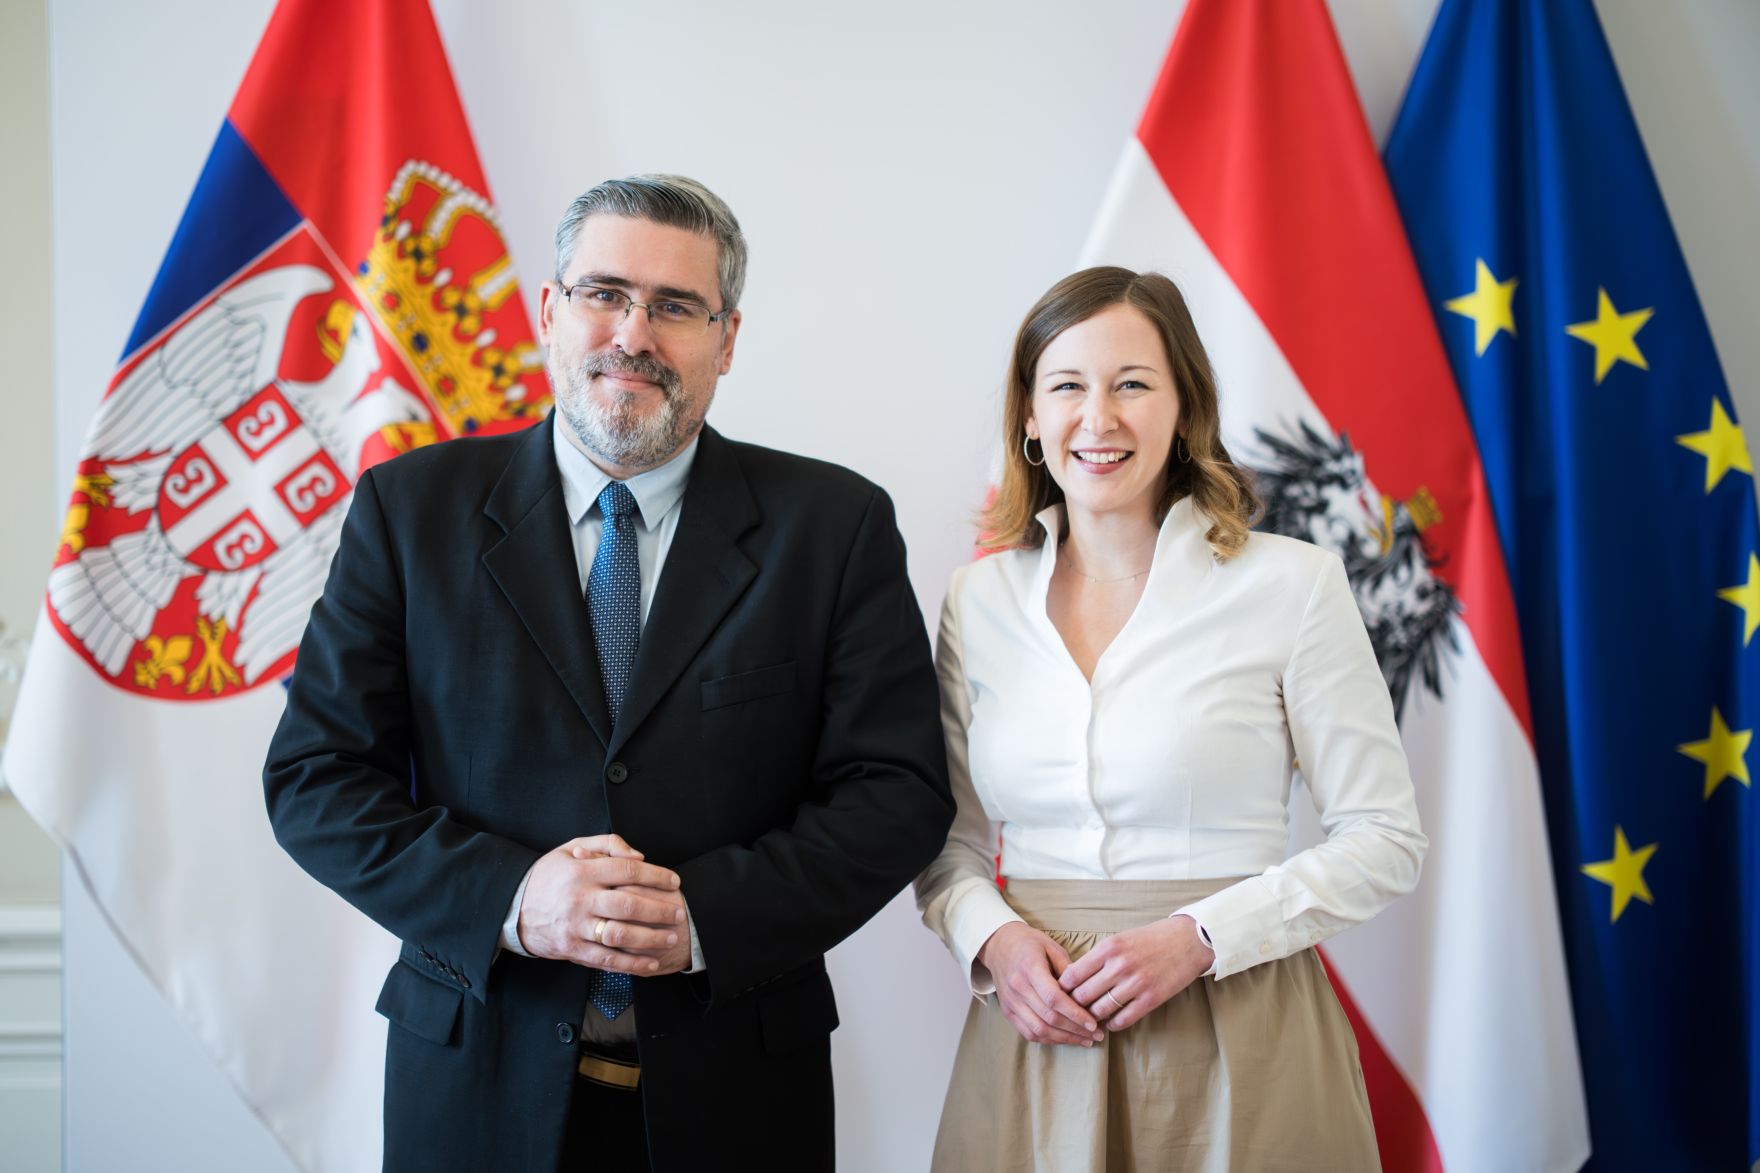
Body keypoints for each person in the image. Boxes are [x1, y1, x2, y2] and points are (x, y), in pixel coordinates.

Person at [264, 174, 952, 1171]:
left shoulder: (831, 528)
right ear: (550, 311)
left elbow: (895, 794)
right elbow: (315, 781)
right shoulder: (408, 514)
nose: (633, 332)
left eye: (675, 306)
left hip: (738, 1096)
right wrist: (513, 900)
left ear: (726, 338)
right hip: (473, 1086)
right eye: (604, 294)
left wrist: (705, 917)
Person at [914, 267, 1427, 1171]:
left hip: (1243, 1026)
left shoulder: (1291, 585)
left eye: (1133, 384)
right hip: (1036, 1033)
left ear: (1186, 408)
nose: (1098, 418)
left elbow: (1385, 838)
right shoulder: (976, 599)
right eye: (1067, 385)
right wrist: (990, 940)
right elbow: (946, 846)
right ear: (1029, 417)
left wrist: (1199, 937)